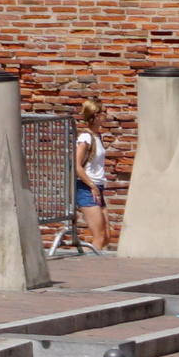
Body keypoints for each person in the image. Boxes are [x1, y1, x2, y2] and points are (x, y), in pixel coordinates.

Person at [70, 102, 113, 255]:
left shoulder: (97, 136)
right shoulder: (86, 137)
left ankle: (87, 257)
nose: (107, 115)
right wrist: (92, 185)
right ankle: (91, 265)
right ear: (96, 115)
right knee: (99, 236)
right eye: (104, 112)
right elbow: (76, 165)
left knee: (107, 237)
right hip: (87, 188)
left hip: (98, 188)